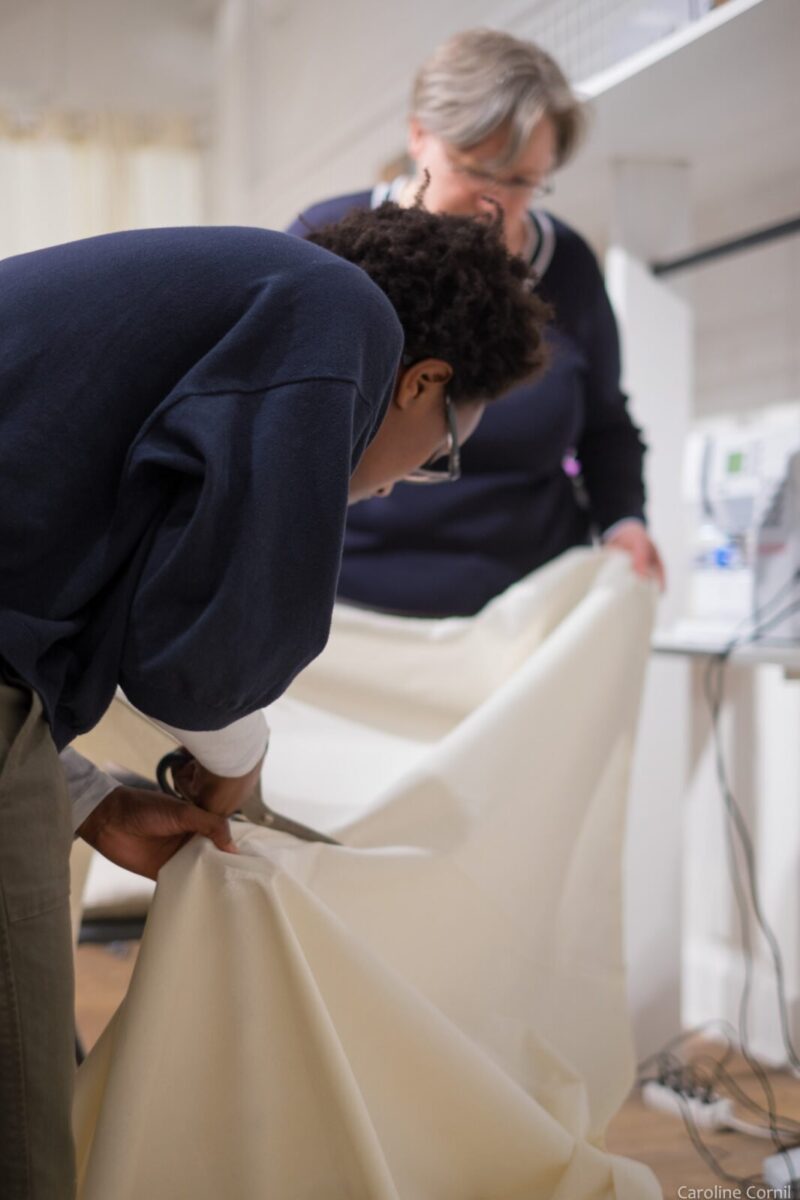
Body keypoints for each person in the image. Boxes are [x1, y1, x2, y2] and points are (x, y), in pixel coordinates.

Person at [0, 205, 547, 1199]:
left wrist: (82, 797)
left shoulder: (210, 302)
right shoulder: (334, 315)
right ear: (422, 381)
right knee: (19, 1136)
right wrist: (237, 763)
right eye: (441, 452)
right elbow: (201, 663)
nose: (398, 487)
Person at [288, 28, 665, 617]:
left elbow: (606, 425)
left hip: (523, 606)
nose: (495, 203)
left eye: (522, 181)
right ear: (418, 135)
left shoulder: (566, 266)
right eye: (476, 170)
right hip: (343, 600)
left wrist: (625, 522)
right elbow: (280, 428)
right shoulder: (329, 243)